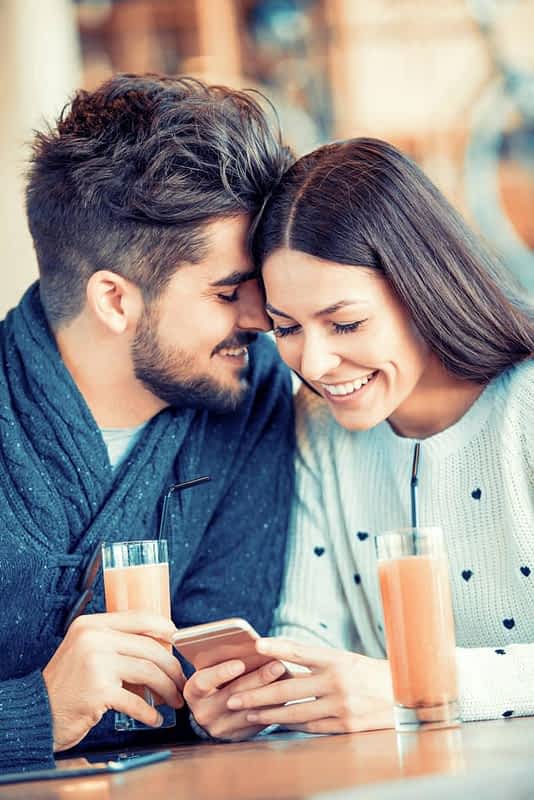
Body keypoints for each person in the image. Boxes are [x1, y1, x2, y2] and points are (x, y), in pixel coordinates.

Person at [185, 137, 534, 739]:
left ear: (425, 288)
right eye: (287, 328)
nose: (315, 363)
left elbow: (391, 694)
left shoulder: (523, 407)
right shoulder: (318, 428)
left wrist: (417, 692)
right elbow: (308, 632)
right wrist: (260, 703)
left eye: (345, 322)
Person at [0, 73, 296, 771]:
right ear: (113, 299)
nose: (260, 320)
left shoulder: (253, 393)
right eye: (228, 292)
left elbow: (208, 676)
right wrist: (33, 710)